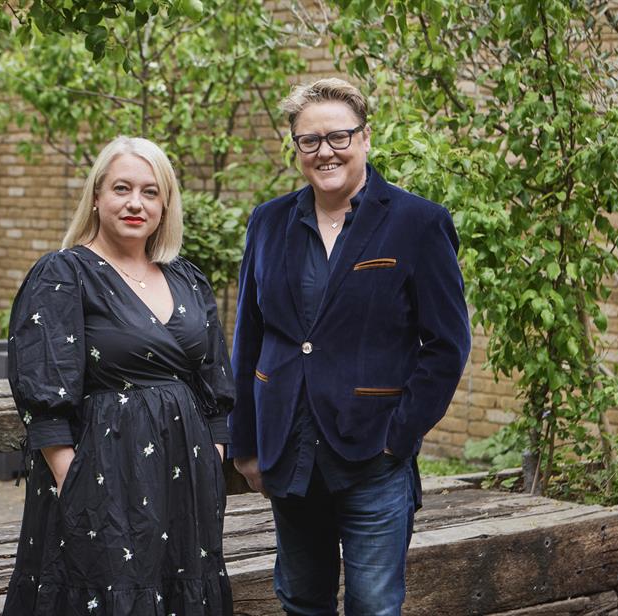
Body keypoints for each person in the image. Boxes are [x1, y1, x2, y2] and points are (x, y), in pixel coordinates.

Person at [229, 78, 471, 615]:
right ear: (296, 148)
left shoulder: (417, 223)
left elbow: (447, 344)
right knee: (300, 600)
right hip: (288, 450)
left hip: (373, 458)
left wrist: (399, 435)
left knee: (374, 605)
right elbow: (249, 335)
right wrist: (243, 441)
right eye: (308, 141)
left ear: (364, 138)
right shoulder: (269, 222)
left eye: (338, 136)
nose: (325, 151)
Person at [3, 136, 234, 615]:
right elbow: (43, 390)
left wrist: (211, 460)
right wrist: (77, 483)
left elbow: (214, 379)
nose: (135, 203)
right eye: (121, 188)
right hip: (102, 476)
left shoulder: (187, 278)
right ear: (96, 196)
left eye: (150, 192)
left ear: (165, 203)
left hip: (184, 480)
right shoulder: (63, 274)